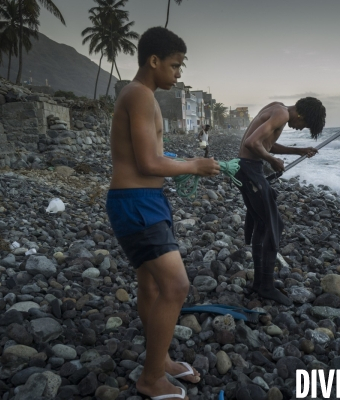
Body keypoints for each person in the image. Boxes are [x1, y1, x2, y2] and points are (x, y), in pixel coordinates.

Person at [106, 27, 220, 400]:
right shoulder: (139, 95)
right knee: (177, 285)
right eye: (175, 65)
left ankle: (161, 360)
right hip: (137, 202)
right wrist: (194, 167)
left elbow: (153, 158)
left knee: (152, 286)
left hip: (143, 200)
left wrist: (187, 161)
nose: (178, 73)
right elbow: (148, 162)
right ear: (153, 61)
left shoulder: (143, 95)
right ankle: (151, 378)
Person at [235, 97, 325, 306]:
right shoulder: (282, 114)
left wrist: (298, 150)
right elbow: (252, 143)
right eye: (306, 125)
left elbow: (267, 144)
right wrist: (272, 161)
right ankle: (266, 286)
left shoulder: (277, 108)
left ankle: (259, 284)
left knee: (262, 224)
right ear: (301, 115)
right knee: (273, 225)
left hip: (247, 168)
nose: (301, 129)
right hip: (250, 169)